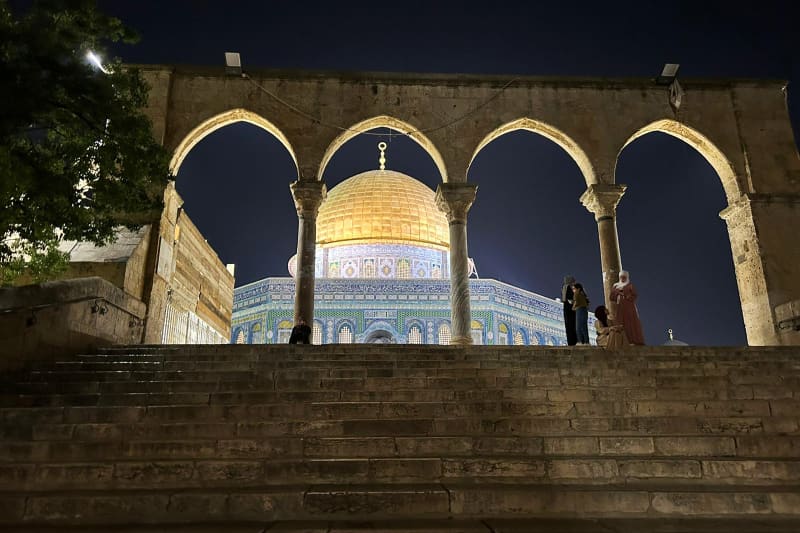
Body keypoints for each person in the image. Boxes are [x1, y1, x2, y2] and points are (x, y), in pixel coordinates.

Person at [609, 270, 645, 345]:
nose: (623, 278)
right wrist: (617, 292)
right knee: (621, 323)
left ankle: (633, 340)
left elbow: (634, 295)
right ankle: (623, 341)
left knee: (630, 323)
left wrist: (626, 295)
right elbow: (611, 297)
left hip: (629, 307)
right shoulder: (616, 286)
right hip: (620, 307)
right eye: (621, 277)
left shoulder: (630, 285)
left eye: (624, 277)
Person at [561, 275, 577, 345]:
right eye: (573, 281)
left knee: (569, 327)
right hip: (570, 310)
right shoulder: (568, 288)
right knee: (572, 326)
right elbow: (569, 299)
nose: (574, 283)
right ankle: (573, 342)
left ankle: (571, 342)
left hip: (567, 309)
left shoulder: (564, 287)